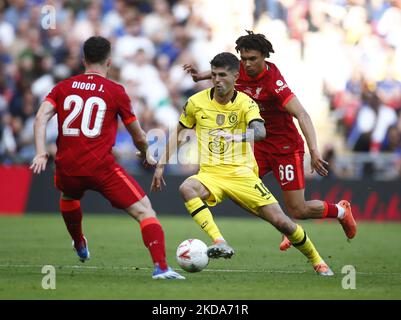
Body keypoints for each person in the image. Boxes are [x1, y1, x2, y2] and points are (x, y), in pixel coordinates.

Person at [152, 52, 334, 276]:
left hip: (243, 175)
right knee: (187, 188)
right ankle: (219, 241)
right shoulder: (195, 103)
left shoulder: (246, 103)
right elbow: (179, 133)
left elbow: (260, 131)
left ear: (235, 77)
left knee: (283, 223)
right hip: (210, 175)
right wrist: (161, 164)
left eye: (222, 75)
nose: (217, 80)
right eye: (214, 75)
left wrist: (237, 137)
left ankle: (317, 260)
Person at [183, 31, 356, 251]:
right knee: (238, 190)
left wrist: (314, 151)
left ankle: (341, 211)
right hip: (257, 144)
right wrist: (200, 77)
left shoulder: (273, 81)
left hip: (285, 147)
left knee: (298, 210)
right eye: (243, 59)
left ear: (265, 56)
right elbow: (223, 71)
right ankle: (285, 227)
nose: (247, 64)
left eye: (252, 59)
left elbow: (302, 114)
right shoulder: (240, 70)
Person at [30, 36, 184, 280]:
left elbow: (41, 117)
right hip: (101, 168)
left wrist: (40, 151)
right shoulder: (115, 91)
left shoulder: (63, 86)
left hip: (67, 165)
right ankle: (161, 268)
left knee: (69, 196)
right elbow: (138, 135)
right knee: (145, 212)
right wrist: (145, 152)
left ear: (83, 60)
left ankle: (79, 242)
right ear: (109, 62)